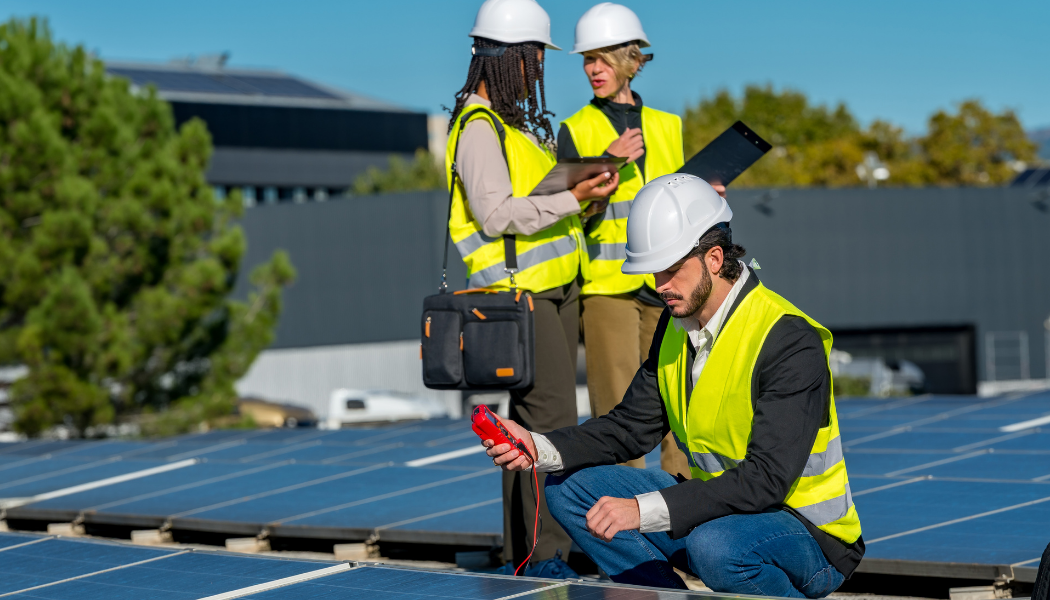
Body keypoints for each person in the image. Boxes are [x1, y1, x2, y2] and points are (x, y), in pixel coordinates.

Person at [482, 174, 864, 596]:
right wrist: (539, 447)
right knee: (570, 489)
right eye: (653, 271)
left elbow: (766, 480)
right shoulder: (676, 326)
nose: (660, 286)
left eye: (671, 269)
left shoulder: (788, 339)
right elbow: (629, 428)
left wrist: (643, 511)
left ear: (714, 258)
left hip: (805, 532)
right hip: (723, 510)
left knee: (716, 547)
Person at [446, 0, 619, 573]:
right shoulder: (477, 126)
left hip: (551, 290)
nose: (536, 70)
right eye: (533, 58)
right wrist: (574, 197)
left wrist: (584, 195)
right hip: (520, 298)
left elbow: (533, 203)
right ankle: (547, 558)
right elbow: (495, 215)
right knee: (547, 428)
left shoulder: (514, 126)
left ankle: (528, 552)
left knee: (534, 428)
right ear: (507, 57)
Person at [557, 3, 721, 475]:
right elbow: (572, 214)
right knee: (618, 413)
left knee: (678, 402)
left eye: (602, 58)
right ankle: (626, 532)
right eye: (587, 60)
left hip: (667, 283)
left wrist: (707, 194)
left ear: (631, 59)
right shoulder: (576, 129)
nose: (592, 69)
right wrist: (606, 163)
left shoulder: (669, 125)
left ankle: (685, 516)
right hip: (608, 288)